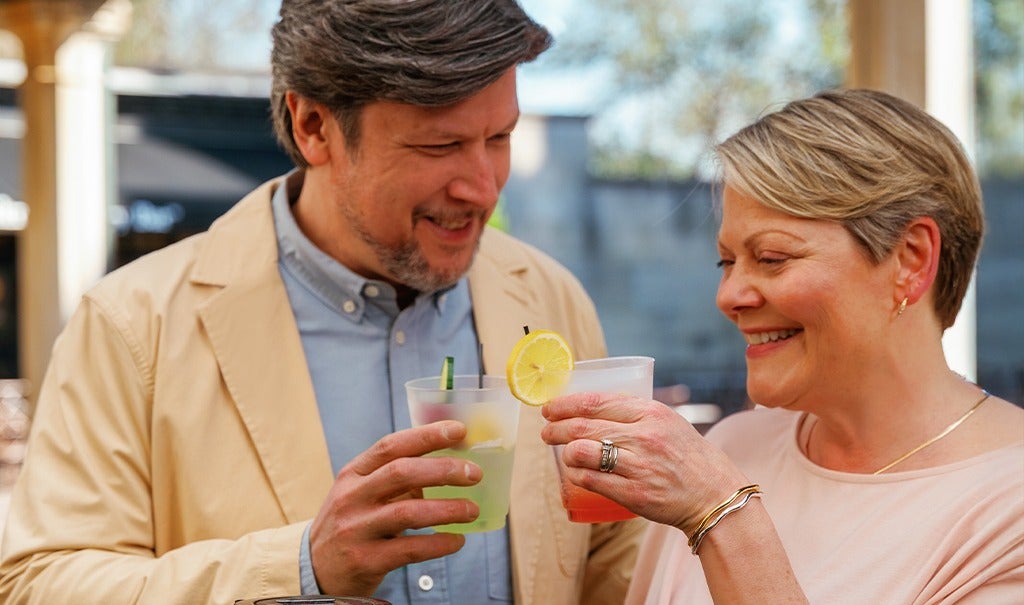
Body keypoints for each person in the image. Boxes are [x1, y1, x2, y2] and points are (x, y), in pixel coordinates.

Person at [0, 1, 645, 603]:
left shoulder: (553, 298)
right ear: (314, 127)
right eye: (440, 145)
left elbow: (614, 561)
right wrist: (302, 566)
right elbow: (41, 582)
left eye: (499, 138)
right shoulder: (132, 324)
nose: (483, 188)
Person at [541, 88, 1024, 603]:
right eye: (726, 262)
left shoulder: (1006, 506)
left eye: (772, 258)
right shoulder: (729, 448)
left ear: (910, 259)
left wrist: (723, 516)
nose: (728, 296)